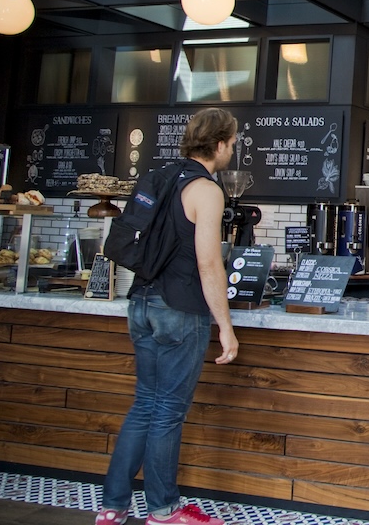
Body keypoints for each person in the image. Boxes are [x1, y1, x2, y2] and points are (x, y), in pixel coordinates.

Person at [96, 108, 240, 525]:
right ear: (218, 144)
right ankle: (163, 509)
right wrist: (226, 328)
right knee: (167, 413)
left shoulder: (159, 177)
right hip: (179, 310)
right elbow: (209, 264)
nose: (232, 150)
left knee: (144, 405)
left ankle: (113, 506)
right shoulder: (205, 189)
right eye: (232, 143)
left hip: (140, 302)